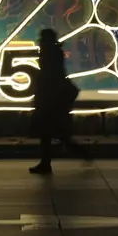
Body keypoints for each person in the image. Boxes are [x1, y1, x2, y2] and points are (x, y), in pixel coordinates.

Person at [29, 29, 79, 174]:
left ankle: (46, 163)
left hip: (50, 98)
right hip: (52, 97)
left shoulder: (50, 53)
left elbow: (49, 75)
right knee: (54, 133)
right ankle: (46, 162)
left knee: (50, 133)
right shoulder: (54, 51)